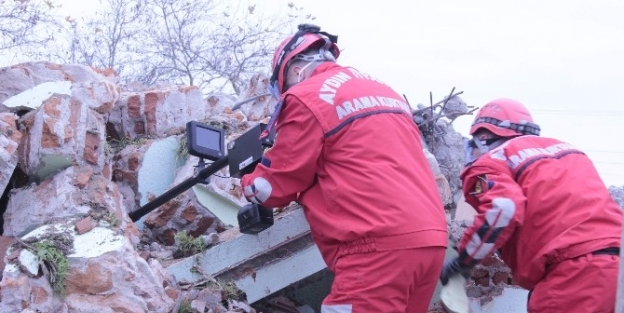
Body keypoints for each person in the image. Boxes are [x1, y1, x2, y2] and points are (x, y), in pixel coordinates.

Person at [240, 24, 448, 313]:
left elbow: (273, 185)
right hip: (430, 240)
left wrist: (248, 182)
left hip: (376, 246)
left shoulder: (306, 95)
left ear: (293, 67)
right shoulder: (385, 92)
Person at [440, 98, 622, 312]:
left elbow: (502, 208)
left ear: (483, 136)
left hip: (573, 275)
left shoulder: (495, 159)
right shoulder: (570, 153)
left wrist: (463, 262)